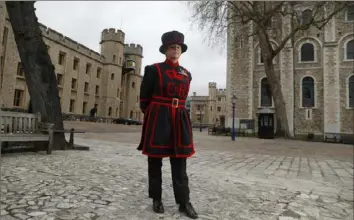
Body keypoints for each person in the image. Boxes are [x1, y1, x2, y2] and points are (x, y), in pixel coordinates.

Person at [137, 30, 198, 219]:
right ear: (165, 50)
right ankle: (156, 198)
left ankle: (184, 202)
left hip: (179, 118)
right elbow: (144, 100)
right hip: (159, 117)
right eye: (172, 47)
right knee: (155, 160)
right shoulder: (153, 70)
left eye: (178, 47)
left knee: (180, 162)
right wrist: (156, 113)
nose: (176, 50)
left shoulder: (186, 74)